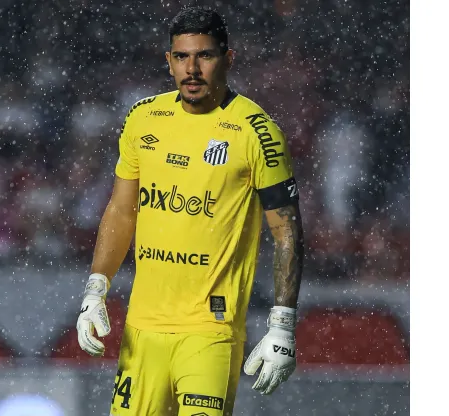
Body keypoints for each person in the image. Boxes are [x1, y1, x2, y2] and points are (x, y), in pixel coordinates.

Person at [75, 7, 304, 416]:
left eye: (205, 56)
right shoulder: (143, 117)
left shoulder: (257, 131)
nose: (192, 69)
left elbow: (286, 229)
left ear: (228, 59)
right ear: (169, 61)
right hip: (142, 330)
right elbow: (122, 210)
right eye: (182, 57)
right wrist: (96, 289)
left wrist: (282, 323)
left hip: (209, 332)